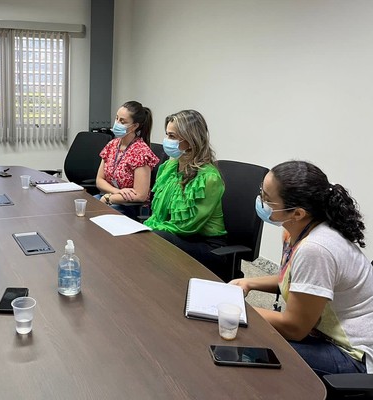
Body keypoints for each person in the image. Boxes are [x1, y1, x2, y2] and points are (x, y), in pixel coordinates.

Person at [230, 161, 373, 377]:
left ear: (297, 213)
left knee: (253, 350)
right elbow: (298, 282)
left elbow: (294, 328)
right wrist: (250, 282)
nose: (261, 201)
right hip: (320, 331)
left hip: (351, 355)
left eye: (268, 199)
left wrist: (238, 310)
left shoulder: (315, 249)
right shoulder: (297, 230)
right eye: (262, 192)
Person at [143, 110, 228, 279]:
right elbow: (158, 212)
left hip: (206, 245)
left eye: (173, 136)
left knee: (154, 238)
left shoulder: (208, 177)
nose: (167, 141)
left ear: (191, 140)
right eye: (167, 135)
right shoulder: (170, 166)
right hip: (174, 235)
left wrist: (150, 229)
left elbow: (186, 227)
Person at [96, 101, 159, 219]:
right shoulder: (112, 145)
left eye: (122, 121)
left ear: (135, 126)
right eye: (116, 119)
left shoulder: (141, 151)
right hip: (110, 197)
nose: (117, 123)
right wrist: (115, 192)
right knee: (85, 209)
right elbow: (99, 180)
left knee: (95, 216)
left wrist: (109, 198)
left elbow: (140, 195)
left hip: (128, 206)